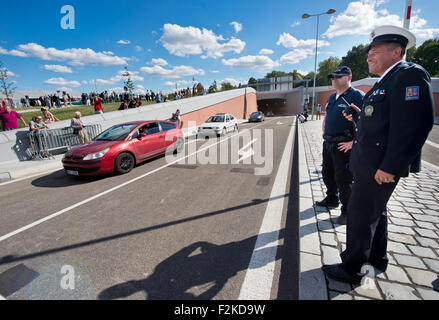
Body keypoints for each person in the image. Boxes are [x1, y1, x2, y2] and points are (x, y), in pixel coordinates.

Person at [322, 26, 434, 284]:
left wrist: (391, 165)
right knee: (375, 213)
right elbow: (384, 122)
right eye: (369, 52)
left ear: (397, 51)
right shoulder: (386, 80)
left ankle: (352, 268)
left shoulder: (410, 75)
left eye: (375, 51)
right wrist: (359, 117)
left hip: (379, 166)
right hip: (370, 164)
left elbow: (416, 124)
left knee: (360, 215)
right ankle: (376, 259)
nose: (369, 57)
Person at [315, 66, 364, 225]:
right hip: (328, 142)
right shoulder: (332, 97)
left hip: (344, 143)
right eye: (333, 77)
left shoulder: (356, 96)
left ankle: (347, 211)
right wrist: (325, 122)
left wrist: (353, 142)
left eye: (338, 77)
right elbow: (328, 113)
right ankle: (331, 198)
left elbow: (366, 121)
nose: (334, 80)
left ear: (349, 78)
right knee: (327, 174)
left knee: (343, 179)